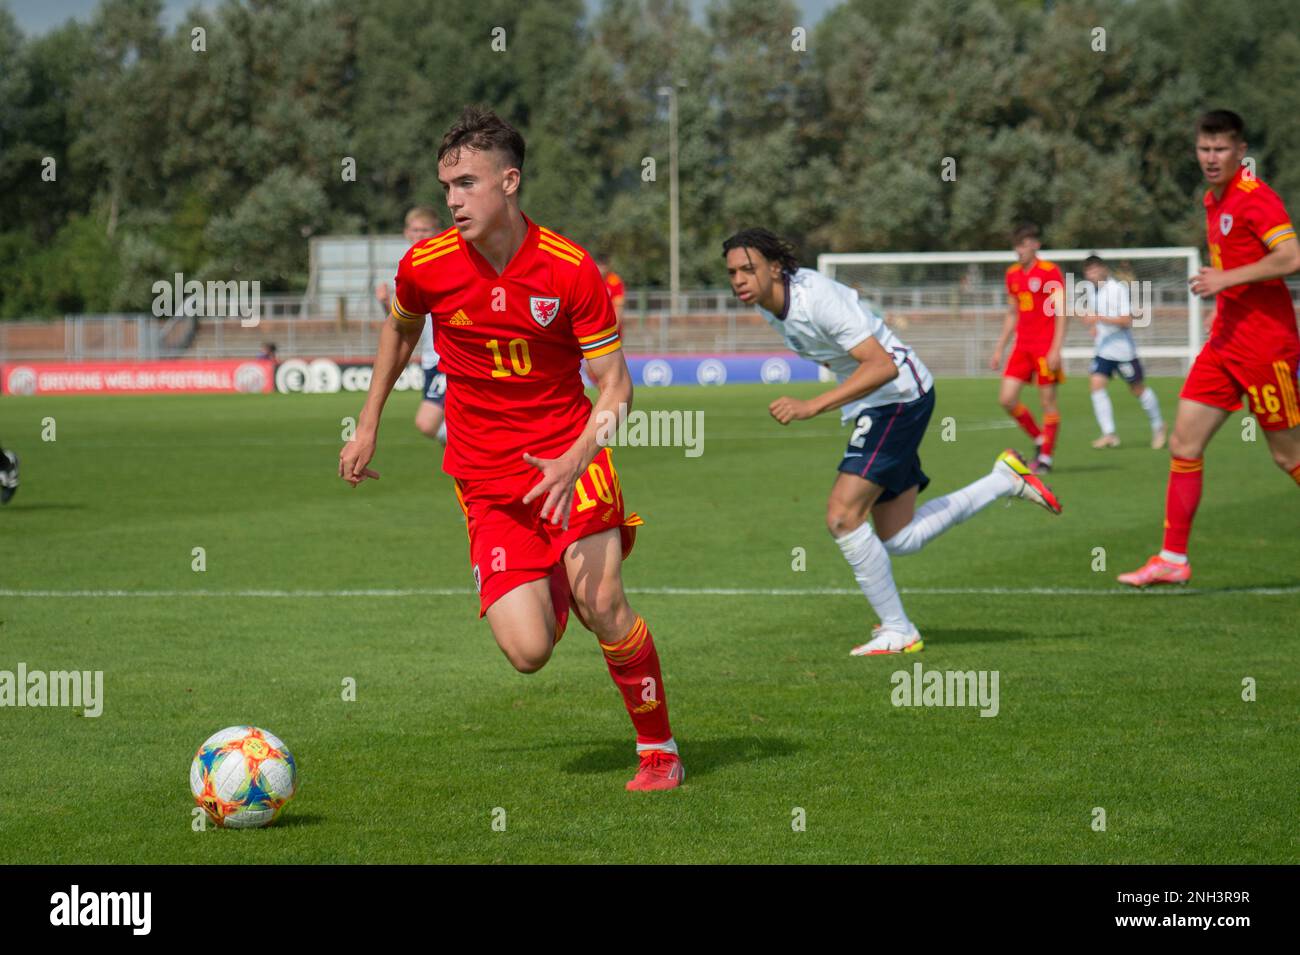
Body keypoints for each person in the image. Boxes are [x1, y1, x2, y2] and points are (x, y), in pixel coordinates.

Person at [340, 107, 683, 790]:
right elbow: (400, 329)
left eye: (466, 182)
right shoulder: (427, 264)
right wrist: (369, 419)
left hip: (570, 461)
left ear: (510, 181)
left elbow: (616, 388)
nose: (452, 200)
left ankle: (659, 748)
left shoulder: (569, 269)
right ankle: (553, 576)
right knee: (528, 653)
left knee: (607, 605)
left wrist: (582, 453)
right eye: (446, 186)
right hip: (485, 478)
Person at [724, 228, 1062, 656]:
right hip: (879, 402)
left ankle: (898, 629)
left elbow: (881, 366)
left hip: (897, 396)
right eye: (733, 272)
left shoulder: (816, 299)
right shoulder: (770, 307)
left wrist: (814, 406)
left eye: (747, 269)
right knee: (898, 538)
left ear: (775, 267)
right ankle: (1003, 480)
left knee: (843, 517)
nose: (738, 279)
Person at [1119, 110, 1300, 587]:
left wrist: (1226, 279)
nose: (1211, 158)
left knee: (1289, 457)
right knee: (1184, 443)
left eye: (1221, 149)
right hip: (1224, 345)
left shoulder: (1254, 198)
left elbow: (1291, 257)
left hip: (1266, 348)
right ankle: (1173, 558)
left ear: (1241, 152)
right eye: (1204, 148)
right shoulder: (1211, 198)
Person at [991, 223, 1068, 472]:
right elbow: (1012, 313)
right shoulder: (1012, 273)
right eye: (1017, 245)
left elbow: (1062, 311)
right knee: (1007, 399)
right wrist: (999, 348)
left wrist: (1056, 349)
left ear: (1036, 245)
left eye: (1024, 244)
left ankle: (1045, 458)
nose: (1019, 250)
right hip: (1021, 347)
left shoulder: (1049, 272)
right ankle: (1039, 437)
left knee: (1048, 403)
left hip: (1045, 348)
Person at [1079, 255, 1166, 449]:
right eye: (1087, 271)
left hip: (1123, 352)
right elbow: (1097, 319)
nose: (1090, 274)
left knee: (1137, 389)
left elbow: (1126, 321)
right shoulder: (1093, 291)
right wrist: (1094, 327)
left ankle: (1159, 426)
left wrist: (1099, 318)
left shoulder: (1117, 289)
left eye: (1094, 270)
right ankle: (1109, 433)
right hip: (1103, 350)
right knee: (1096, 385)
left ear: (1103, 269)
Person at [377, 207, 447, 445]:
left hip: (448, 357)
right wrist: (387, 305)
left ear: (438, 232)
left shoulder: (444, 264)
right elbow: (405, 322)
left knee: (427, 422)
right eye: (415, 230)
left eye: (425, 230)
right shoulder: (407, 267)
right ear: (407, 233)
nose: (419, 235)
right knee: (431, 425)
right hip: (430, 360)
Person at [597, 258, 626, 324]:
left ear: (608, 267)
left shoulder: (615, 281)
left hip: (611, 322)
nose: (601, 269)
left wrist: (616, 325)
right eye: (599, 265)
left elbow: (619, 306)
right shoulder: (591, 280)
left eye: (603, 266)